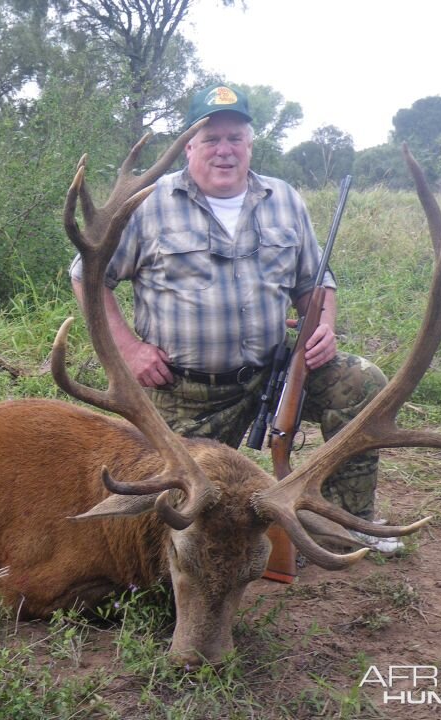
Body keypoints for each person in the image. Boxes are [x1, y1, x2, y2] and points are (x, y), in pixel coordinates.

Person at [69, 83, 402, 555]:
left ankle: (349, 521)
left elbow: (314, 283)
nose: (224, 150)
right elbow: (88, 276)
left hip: (273, 374)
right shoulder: (147, 203)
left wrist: (323, 321)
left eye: (235, 138)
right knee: (172, 520)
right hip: (185, 391)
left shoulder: (283, 198)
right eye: (211, 139)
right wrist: (128, 348)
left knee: (361, 382)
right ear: (189, 146)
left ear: (250, 143)